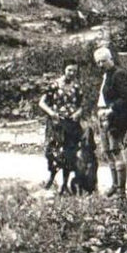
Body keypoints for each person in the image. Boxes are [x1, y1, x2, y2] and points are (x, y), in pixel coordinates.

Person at [94, 45, 127, 198]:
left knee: (116, 151)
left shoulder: (119, 74)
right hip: (103, 116)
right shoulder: (106, 75)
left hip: (116, 117)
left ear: (110, 59)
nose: (101, 65)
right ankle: (115, 184)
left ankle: (121, 191)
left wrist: (111, 109)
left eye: (103, 61)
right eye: (98, 62)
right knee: (107, 152)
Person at [39, 65, 86, 194]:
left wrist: (78, 113)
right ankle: (51, 177)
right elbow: (42, 103)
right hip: (56, 124)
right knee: (52, 152)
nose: (71, 73)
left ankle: (64, 184)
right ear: (64, 70)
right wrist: (51, 113)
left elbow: (82, 106)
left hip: (71, 124)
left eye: (74, 71)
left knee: (69, 154)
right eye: (69, 70)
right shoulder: (54, 85)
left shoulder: (77, 87)